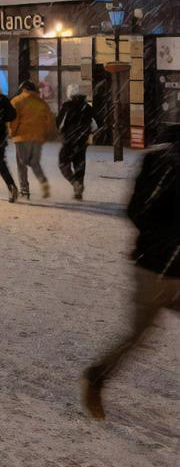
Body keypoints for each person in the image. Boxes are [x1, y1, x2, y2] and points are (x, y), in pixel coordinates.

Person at [81, 126, 180, 420]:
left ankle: (98, 375)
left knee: (138, 334)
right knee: (138, 334)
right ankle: (97, 375)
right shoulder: (164, 164)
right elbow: (139, 210)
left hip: (166, 264)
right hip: (156, 268)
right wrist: (167, 245)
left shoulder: (162, 160)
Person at [10, 79, 55, 200]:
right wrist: (46, 133)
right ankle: (43, 181)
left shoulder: (16, 101)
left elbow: (13, 120)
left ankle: (24, 191)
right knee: (34, 162)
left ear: (23, 89)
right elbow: (49, 120)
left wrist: (12, 133)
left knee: (22, 164)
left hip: (22, 137)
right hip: (37, 137)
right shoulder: (41, 103)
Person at [57, 84, 100, 200]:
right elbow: (96, 124)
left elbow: (59, 123)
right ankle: (78, 190)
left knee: (63, 163)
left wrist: (62, 132)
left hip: (69, 140)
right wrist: (87, 132)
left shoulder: (67, 106)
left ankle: (74, 182)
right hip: (82, 141)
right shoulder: (87, 107)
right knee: (79, 165)